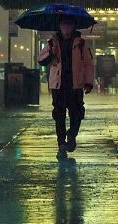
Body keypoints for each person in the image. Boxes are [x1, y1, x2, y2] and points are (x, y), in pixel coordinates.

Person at [38, 16, 94, 156]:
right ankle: (61, 143)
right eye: (64, 24)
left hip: (75, 85)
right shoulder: (52, 42)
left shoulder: (81, 43)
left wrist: (88, 82)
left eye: (69, 24)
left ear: (73, 26)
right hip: (58, 85)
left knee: (77, 113)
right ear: (59, 26)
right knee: (59, 115)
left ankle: (72, 134)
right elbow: (41, 59)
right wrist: (51, 53)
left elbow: (88, 64)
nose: (66, 27)